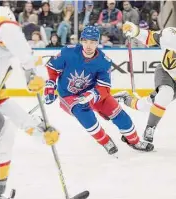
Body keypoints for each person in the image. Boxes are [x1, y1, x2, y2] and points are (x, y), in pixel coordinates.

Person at [44, 25, 154, 158]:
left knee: (118, 113)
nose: (88, 45)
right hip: (69, 95)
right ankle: (105, 141)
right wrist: (50, 84)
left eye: (92, 42)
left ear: (97, 42)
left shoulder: (104, 61)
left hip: (93, 93)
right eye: (85, 41)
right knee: (83, 111)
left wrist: (91, 94)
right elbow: (52, 68)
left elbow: (104, 87)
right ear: (81, 41)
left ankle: (134, 141)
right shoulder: (68, 52)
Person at [0, 7, 59, 199]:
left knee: (5, 133)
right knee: (4, 133)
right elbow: (6, 27)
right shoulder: (4, 23)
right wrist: (30, 69)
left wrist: (37, 130)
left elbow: (4, 104)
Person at [115, 21, 176, 143]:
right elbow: (149, 37)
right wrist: (134, 30)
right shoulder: (170, 34)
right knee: (165, 95)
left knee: (145, 106)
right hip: (166, 73)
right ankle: (150, 128)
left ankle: (126, 99)